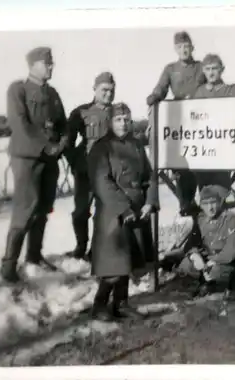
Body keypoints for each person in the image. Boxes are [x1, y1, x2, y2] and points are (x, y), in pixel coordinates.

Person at [0, 47, 68, 283]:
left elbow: (63, 124)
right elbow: (20, 124)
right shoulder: (17, 89)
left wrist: (62, 144)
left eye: (51, 63)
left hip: (49, 160)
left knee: (43, 209)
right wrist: (45, 146)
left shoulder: (53, 94)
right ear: (32, 65)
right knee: (25, 209)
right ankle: (9, 265)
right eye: (46, 63)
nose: (51, 67)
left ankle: (34, 256)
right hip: (27, 158)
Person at [87, 102, 159, 322]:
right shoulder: (101, 148)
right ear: (110, 122)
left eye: (126, 119)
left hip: (137, 210)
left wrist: (149, 202)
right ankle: (99, 305)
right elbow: (102, 182)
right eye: (118, 119)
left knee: (128, 261)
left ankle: (121, 303)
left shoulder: (136, 145)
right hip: (113, 213)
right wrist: (123, 208)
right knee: (114, 263)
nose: (123, 123)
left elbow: (149, 176)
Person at [146, 31, 205, 216]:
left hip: (200, 119)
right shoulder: (171, 69)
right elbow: (161, 88)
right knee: (180, 165)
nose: (183, 50)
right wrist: (154, 97)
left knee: (201, 163)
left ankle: (206, 203)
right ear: (175, 49)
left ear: (192, 47)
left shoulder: (201, 67)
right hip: (179, 120)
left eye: (186, 46)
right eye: (179, 47)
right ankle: (186, 203)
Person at [64, 72, 116, 261]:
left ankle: (97, 250)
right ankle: (80, 246)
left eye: (111, 90)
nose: (108, 94)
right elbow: (68, 140)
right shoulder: (81, 111)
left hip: (109, 171)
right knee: (80, 211)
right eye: (104, 90)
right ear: (94, 89)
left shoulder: (118, 112)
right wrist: (75, 162)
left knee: (105, 212)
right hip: (86, 171)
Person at [191, 53, 235, 194]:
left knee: (222, 193)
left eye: (214, 68)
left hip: (223, 149)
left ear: (222, 69)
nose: (211, 72)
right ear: (203, 70)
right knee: (205, 194)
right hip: (204, 150)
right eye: (207, 69)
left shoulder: (231, 90)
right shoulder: (199, 92)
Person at [177, 185, 235, 298]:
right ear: (201, 206)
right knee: (185, 265)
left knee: (214, 272)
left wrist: (213, 261)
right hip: (207, 261)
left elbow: (231, 251)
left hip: (223, 262)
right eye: (205, 204)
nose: (210, 208)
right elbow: (191, 243)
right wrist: (194, 255)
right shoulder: (200, 219)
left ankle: (216, 288)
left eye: (213, 203)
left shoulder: (230, 219)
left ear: (220, 203)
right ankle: (200, 285)